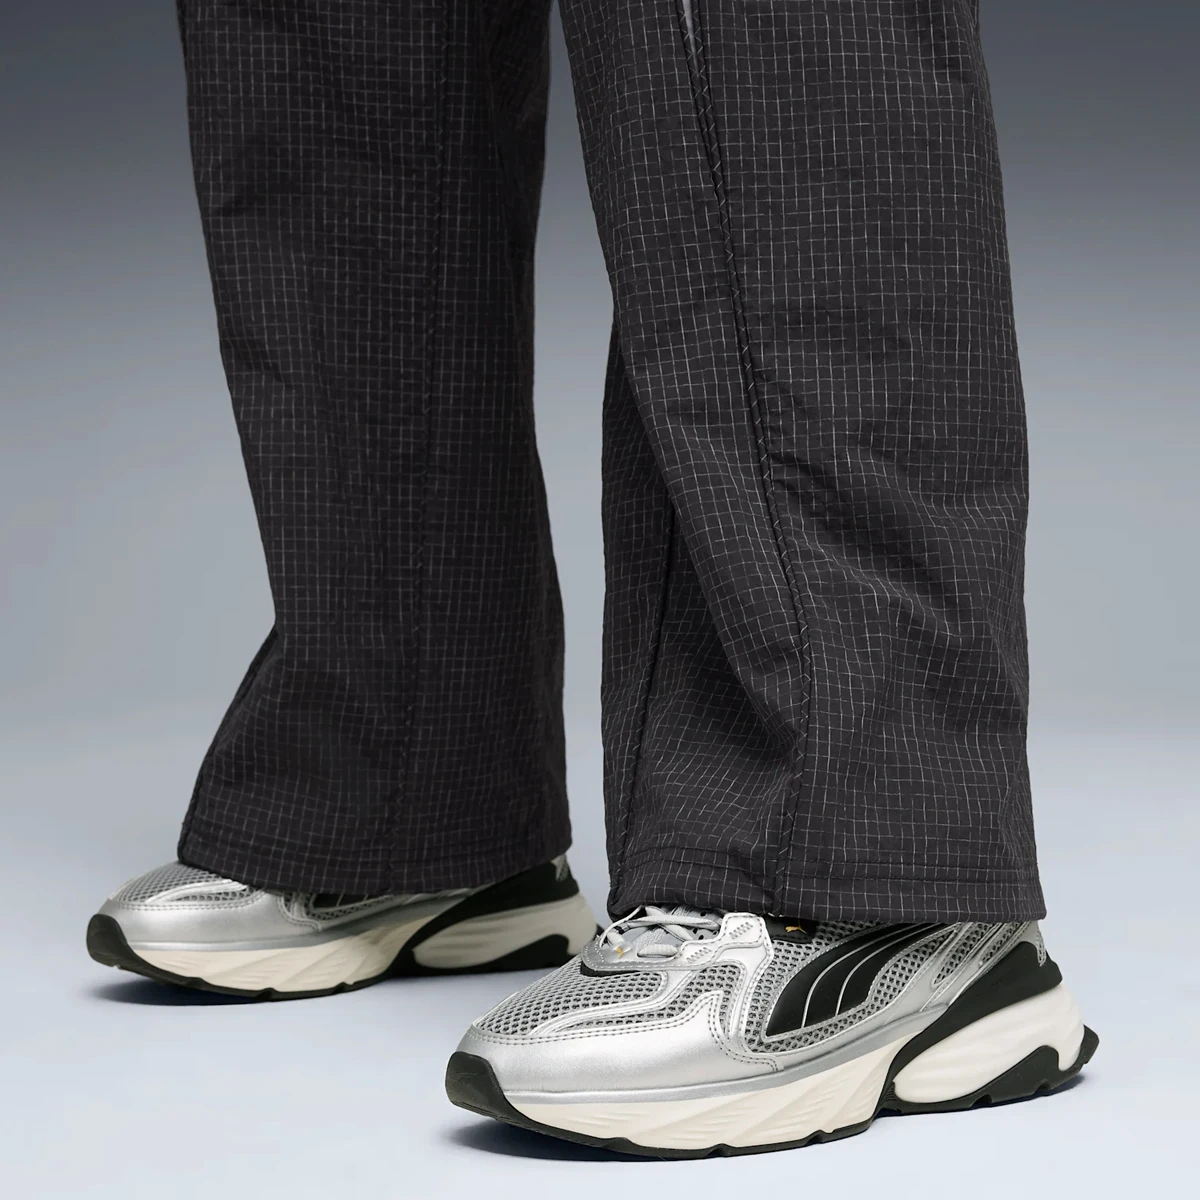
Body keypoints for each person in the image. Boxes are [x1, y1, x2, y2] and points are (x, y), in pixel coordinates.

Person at [87, 0, 1096, 1156]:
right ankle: (413, 795)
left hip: (863, 844)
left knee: (756, 37)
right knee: (334, 39)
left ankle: (871, 877)